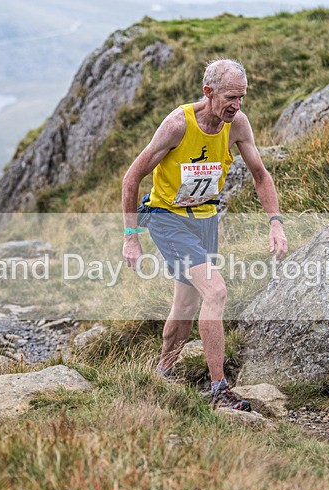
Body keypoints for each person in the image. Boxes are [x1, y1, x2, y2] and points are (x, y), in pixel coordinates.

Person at [121, 58, 287, 411]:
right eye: (230, 97)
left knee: (187, 304)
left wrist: (275, 222)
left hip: (205, 219)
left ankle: (161, 373)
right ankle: (219, 388)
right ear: (208, 92)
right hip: (167, 218)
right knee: (216, 290)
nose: (236, 105)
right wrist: (131, 236)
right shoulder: (178, 125)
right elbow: (131, 177)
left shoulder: (237, 124)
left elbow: (259, 174)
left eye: (241, 97)